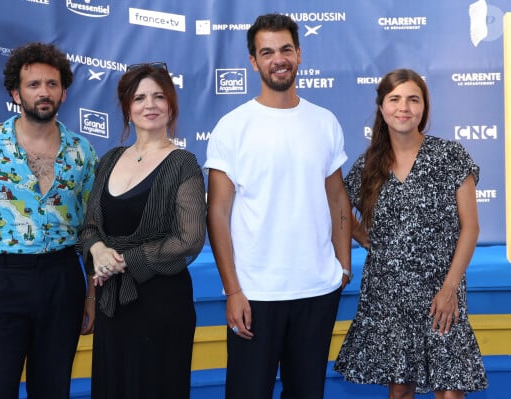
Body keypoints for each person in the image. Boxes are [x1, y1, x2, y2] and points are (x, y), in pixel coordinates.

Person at [205, 13, 353, 399]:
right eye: (267, 52)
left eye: (286, 49)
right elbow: (217, 212)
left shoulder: (325, 121)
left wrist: (343, 266)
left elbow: (337, 196)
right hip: (255, 294)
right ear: (254, 62)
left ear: (299, 54)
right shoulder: (232, 127)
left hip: (317, 290)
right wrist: (233, 290)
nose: (278, 58)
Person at [0, 42, 98, 398]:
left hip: (63, 281)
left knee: (53, 390)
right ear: (16, 93)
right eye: (33, 85)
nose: (43, 92)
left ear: (64, 91)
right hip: (1, 281)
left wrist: (91, 296)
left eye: (52, 83)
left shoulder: (83, 152)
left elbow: (94, 227)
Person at [334, 68, 488, 398]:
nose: (404, 107)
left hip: (442, 289)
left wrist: (449, 289)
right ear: (381, 107)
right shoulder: (369, 163)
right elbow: (340, 206)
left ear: (424, 107)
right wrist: (363, 237)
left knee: (450, 389)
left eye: (413, 99)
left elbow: (471, 228)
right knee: (400, 389)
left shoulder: (450, 155)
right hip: (389, 291)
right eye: (395, 99)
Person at [77, 62, 207, 399]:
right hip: (113, 307)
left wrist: (125, 260)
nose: (150, 105)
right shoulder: (108, 159)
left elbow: (190, 239)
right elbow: (90, 226)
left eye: (158, 96)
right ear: (127, 109)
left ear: (171, 105)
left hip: (162, 304)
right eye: (139, 98)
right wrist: (98, 251)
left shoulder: (183, 163)